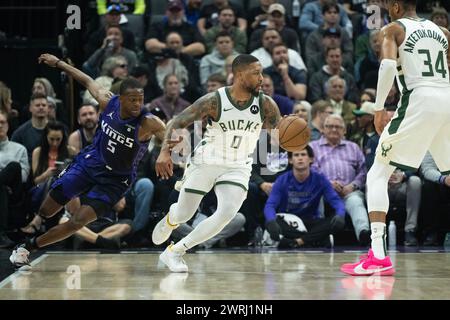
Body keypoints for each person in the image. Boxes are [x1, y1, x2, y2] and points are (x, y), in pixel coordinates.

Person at [9, 54, 172, 268]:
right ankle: (41, 223)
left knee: (77, 221)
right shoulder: (108, 101)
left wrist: (165, 152)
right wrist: (59, 63)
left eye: (140, 99)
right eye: (132, 99)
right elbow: (86, 80)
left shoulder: (148, 122)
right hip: (89, 163)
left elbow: (171, 132)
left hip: (116, 180)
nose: (138, 104)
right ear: (121, 98)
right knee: (47, 210)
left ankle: (27, 247)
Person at [341, 0, 450, 276]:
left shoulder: (393, 29)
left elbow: (388, 67)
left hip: (420, 100)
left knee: (377, 173)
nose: (386, 9)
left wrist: (379, 108)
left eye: (388, 4)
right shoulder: (443, 33)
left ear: (397, 6)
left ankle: (377, 254)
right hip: (446, 99)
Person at [151, 54, 282, 272]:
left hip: (239, 164)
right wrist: (165, 152)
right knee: (185, 213)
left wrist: (291, 132)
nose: (262, 78)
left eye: (261, 73)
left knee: (227, 212)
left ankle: (175, 252)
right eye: (256, 73)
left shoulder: (266, 104)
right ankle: (171, 219)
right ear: (240, 75)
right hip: (208, 159)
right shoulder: (215, 100)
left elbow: (280, 138)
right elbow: (179, 121)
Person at [264, 146, 346, 248]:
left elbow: (336, 201)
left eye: (303, 155)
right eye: (296, 155)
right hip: (288, 222)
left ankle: (296, 242)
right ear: (290, 160)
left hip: (311, 221)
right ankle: (316, 239)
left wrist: (340, 215)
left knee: (336, 220)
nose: (300, 158)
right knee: (270, 222)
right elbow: (270, 204)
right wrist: (271, 220)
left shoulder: (320, 179)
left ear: (310, 159)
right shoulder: (282, 180)